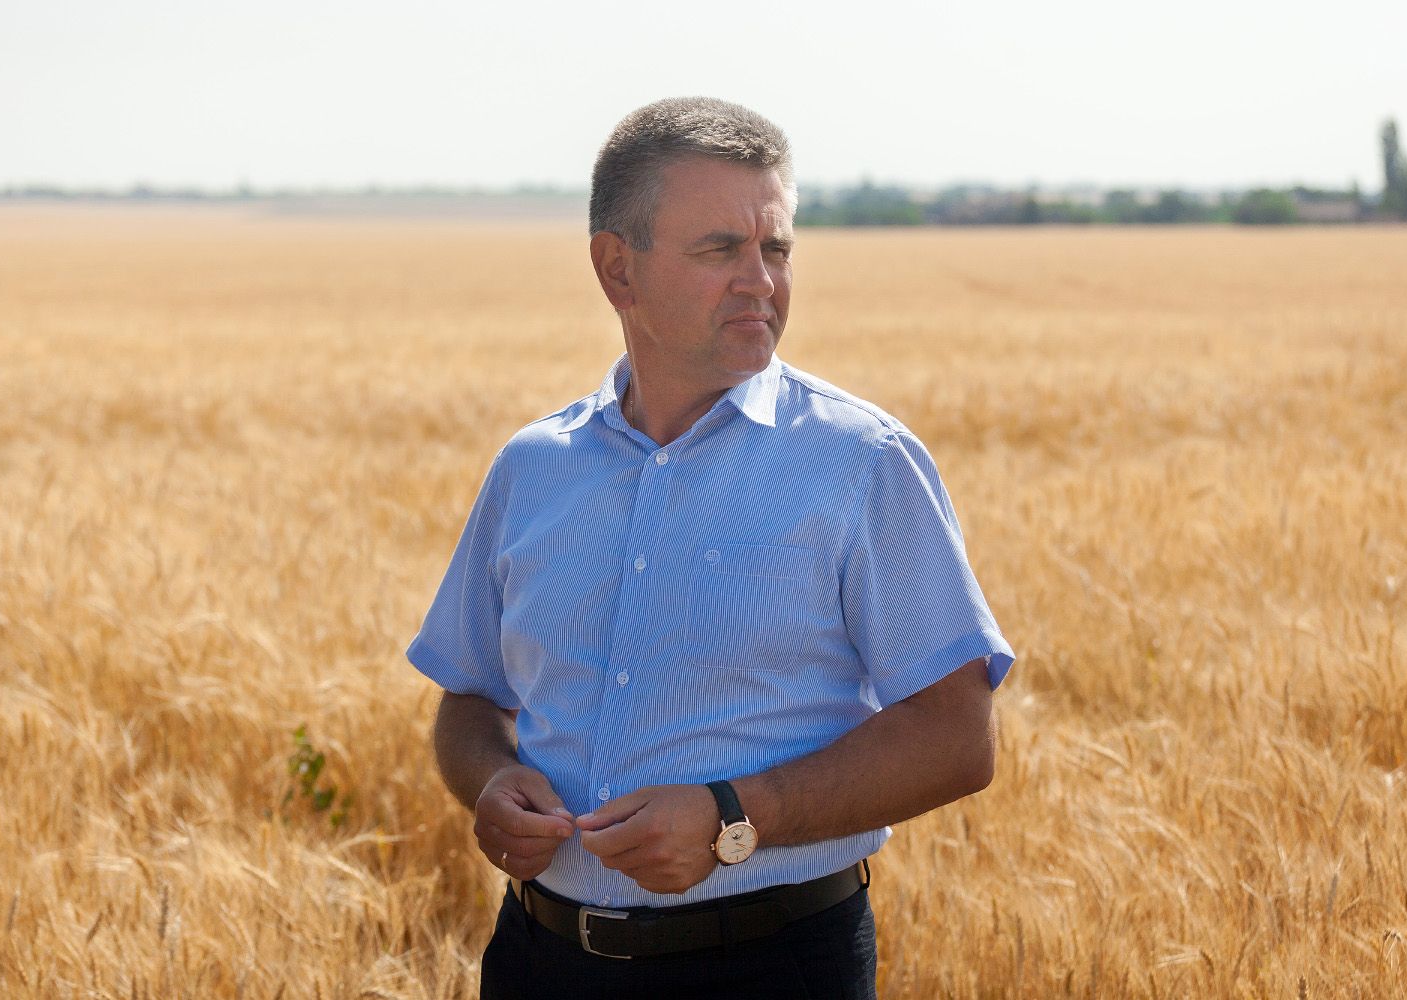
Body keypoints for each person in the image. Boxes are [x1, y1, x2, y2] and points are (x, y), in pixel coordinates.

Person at [406, 96, 1016, 1000]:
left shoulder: (862, 463)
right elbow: (469, 698)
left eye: (777, 248)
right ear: (618, 269)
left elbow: (958, 738)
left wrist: (735, 818)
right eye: (721, 249)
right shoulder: (533, 467)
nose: (760, 281)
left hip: (770, 966)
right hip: (538, 959)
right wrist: (490, 781)